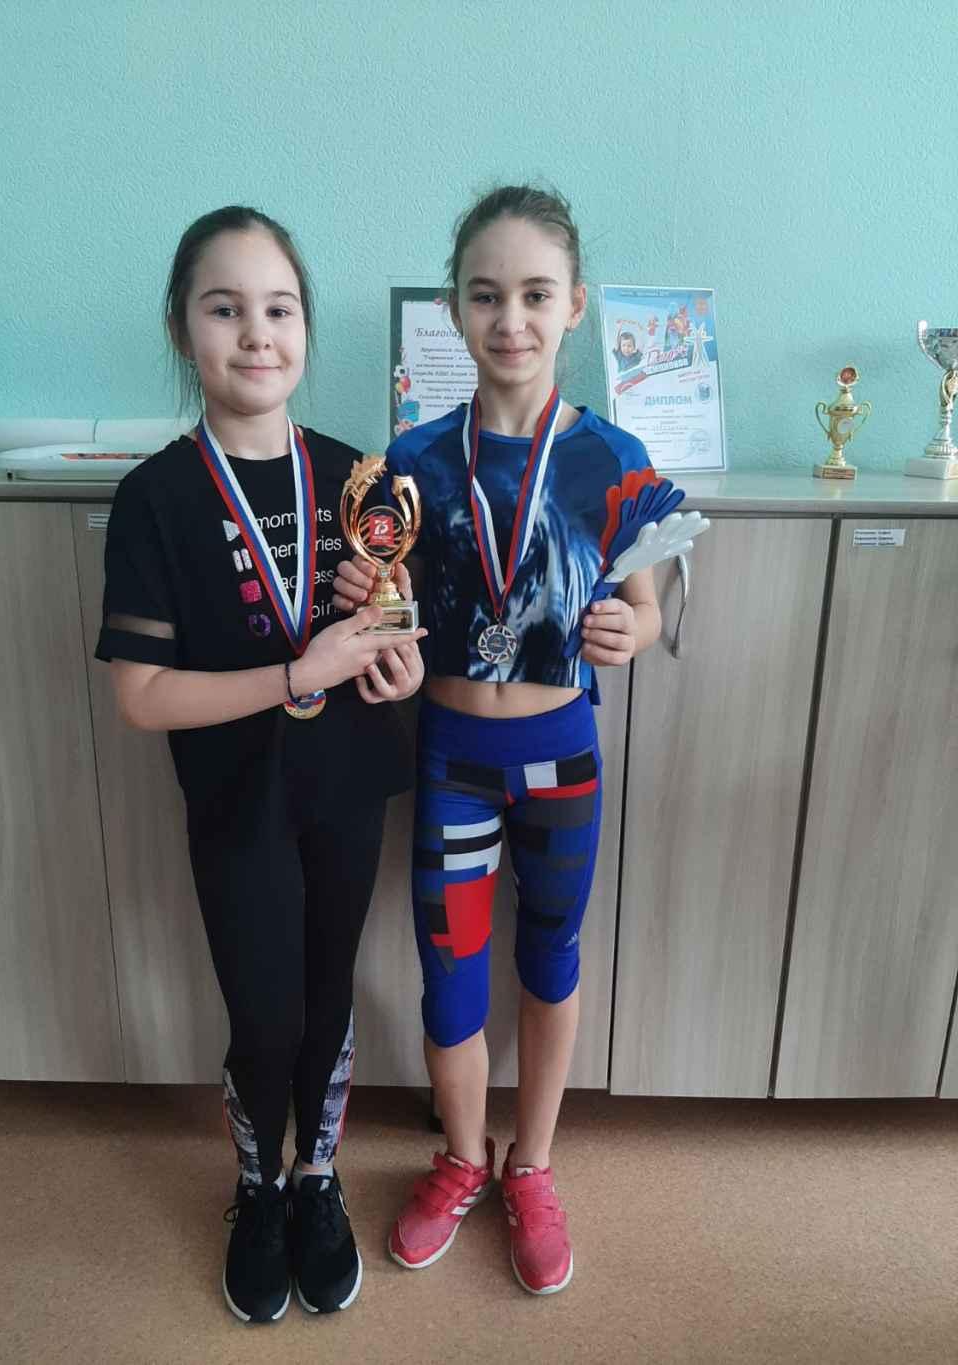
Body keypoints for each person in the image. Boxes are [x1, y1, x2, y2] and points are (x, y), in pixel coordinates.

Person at [95, 206, 425, 1323]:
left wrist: (395, 671)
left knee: (329, 1001)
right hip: (236, 802)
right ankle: (257, 1182)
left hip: (345, 791)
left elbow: (394, 641)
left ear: (305, 327)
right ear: (182, 330)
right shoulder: (156, 498)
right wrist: (297, 673)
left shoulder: (360, 480)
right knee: (266, 1014)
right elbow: (141, 695)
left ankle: (316, 1178)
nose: (256, 334)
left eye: (279, 309)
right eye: (224, 309)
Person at [335, 185, 666, 1296]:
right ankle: (462, 1159)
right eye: (485, 295)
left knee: (551, 959)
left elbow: (646, 603)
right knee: (451, 981)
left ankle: (533, 1165)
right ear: (454, 310)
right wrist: (371, 619)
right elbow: (387, 608)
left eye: (534, 294)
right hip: (451, 763)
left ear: (574, 305)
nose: (509, 319)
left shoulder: (615, 455)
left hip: (563, 759)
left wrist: (633, 628)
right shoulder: (413, 460)